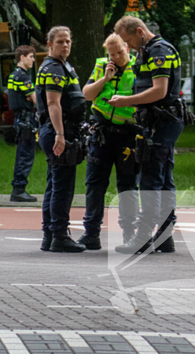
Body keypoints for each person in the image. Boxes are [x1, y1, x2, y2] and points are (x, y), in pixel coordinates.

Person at [109, 16, 184, 255]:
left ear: (140, 31)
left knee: (151, 181)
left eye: (128, 40)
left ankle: (142, 238)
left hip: (161, 123)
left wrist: (125, 101)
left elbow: (159, 90)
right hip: (156, 122)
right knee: (163, 181)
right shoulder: (148, 50)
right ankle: (164, 237)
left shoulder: (158, 51)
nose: (127, 46)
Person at [78, 33, 140, 251]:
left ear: (127, 48)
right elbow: (86, 94)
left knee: (127, 186)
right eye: (112, 54)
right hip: (102, 133)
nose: (116, 57)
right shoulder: (102, 66)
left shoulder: (138, 67)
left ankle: (130, 235)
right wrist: (105, 78)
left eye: (120, 52)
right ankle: (91, 234)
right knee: (95, 185)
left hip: (127, 136)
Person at [36, 26, 87, 253]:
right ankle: (59, 235)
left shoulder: (63, 67)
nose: (65, 45)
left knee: (55, 185)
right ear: (50, 44)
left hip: (60, 130)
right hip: (58, 131)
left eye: (68, 41)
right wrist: (60, 134)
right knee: (62, 187)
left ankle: (50, 235)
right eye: (60, 42)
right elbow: (53, 103)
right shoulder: (54, 68)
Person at [7, 45, 38, 203]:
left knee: (22, 153)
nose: (33, 59)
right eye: (31, 56)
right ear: (22, 58)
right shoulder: (23, 77)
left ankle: (18, 189)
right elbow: (36, 100)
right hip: (26, 119)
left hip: (20, 118)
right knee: (25, 155)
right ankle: (19, 190)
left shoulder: (14, 75)